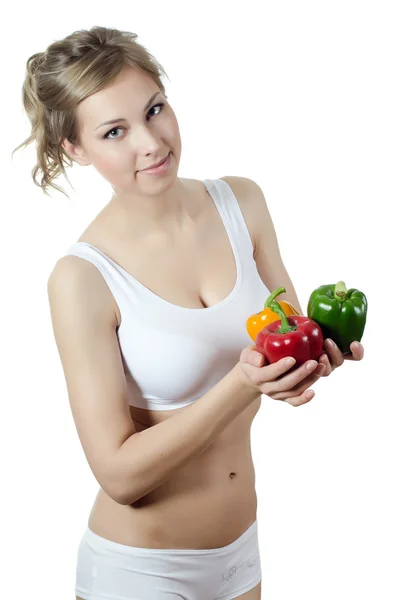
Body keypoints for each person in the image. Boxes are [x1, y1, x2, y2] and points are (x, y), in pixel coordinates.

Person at [13, 25, 364, 600]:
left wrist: (318, 357)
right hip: (140, 569)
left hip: (239, 552)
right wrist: (243, 383)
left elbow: (290, 332)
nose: (150, 142)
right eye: (114, 131)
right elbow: (119, 475)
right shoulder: (82, 279)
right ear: (75, 148)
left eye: (155, 110)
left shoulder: (242, 202)